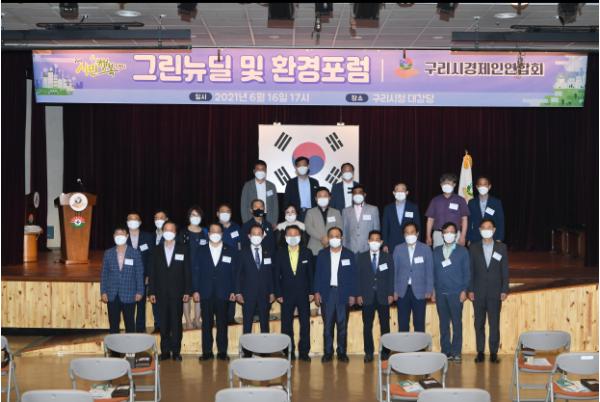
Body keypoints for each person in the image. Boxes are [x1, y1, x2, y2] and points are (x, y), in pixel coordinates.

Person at [192, 223, 237, 361]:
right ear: (208, 234)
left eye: (218, 231)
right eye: (212, 231)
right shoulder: (200, 250)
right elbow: (195, 271)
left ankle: (222, 351)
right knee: (207, 324)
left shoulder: (230, 250)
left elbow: (234, 272)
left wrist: (234, 290)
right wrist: (195, 290)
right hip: (205, 292)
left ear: (222, 234)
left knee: (222, 323)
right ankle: (207, 352)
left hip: (224, 292)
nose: (215, 234)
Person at [148, 221, 191, 361]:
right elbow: (152, 272)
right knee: (163, 323)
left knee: (176, 323)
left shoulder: (183, 248)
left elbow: (187, 271)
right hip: (160, 292)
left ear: (175, 232)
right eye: (166, 229)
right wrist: (151, 292)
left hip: (177, 293)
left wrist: (187, 291)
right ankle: (165, 351)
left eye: (171, 230)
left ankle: (176, 351)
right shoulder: (156, 249)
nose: (168, 232)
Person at [314, 227, 358, 363]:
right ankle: (328, 352)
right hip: (327, 293)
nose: (334, 238)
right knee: (328, 326)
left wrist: (353, 294)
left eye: (337, 236)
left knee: (342, 325)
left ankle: (342, 352)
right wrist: (316, 292)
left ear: (342, 238)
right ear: (328, 238)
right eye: (331, 236)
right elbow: (317, 274)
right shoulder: (322, 254)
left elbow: (353, 276)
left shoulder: (349, 254)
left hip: (343, 293)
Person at [469, 218, 509, 364]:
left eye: (489, 227)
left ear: (494, 230)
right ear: (480, 230)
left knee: (494, 323)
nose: (486, 230)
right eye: (484, 227)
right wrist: (470, 289)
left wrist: (504, 289)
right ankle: (480, 352)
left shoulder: (501, 247)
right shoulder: (473, 248)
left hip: (495, 292)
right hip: (478, 292)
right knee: (479, 324)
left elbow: (504, 270)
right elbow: (470, 271)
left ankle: (493, 352)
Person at [274, 225, 314, 361]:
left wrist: (312, 292)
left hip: (304, 293)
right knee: (286, 324)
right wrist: (278, 293)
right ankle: (288, 351)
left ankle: (304, 352)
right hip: (286, 294)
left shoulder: (307, 252)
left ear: (300, 236)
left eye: (295, 234)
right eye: (289, 234)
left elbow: (311, 274)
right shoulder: (279, 253)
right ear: (285, 237)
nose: (292, 237)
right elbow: (276, 276)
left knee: (305, 324)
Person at [432, 222, 470, 363]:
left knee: (456, 323)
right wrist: (434, 291)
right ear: (442, 234)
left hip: (456, 293)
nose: (448, 234)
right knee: (443, 324)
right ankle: (445, 351)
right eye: (446, 232)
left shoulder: (463, 251)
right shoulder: (436, 251)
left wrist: (464, 290)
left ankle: (456, 352)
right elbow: (433, 273)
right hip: (441, 293)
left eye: (451, 232)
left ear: (456, 234)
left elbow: (467, 273)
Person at [356, 230, 395, 362]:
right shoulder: (361, 257)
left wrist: (390, 293)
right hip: (367, 296)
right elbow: (357, 277)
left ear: (381, 242)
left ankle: (385, 352)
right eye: (372, 239)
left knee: (385, 326)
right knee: (367, 326)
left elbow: (391, 276)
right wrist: (358, 294)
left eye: (377, 240)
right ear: (368, 241)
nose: (374, 242)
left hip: (383, 296)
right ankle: (368, 352)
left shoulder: (387, 257)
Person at [101, 226, 144, 334]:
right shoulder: (108, 253)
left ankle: (130, 345)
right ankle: (114, 345)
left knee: (130, 325)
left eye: (122, 234)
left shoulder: (135, 253)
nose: (119, 236)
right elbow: (104, 274)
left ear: (127, 236)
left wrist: (140, 291)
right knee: (113, 325)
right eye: (117, 234)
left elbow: (139, 274)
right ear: (114, 236)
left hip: (129, 294)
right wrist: (103, 291)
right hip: (112, 294)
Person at [393, 222, 433, 332]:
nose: (409, 235)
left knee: (419, 323)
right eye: (407, 233)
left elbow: (429, 271)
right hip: (402, 291)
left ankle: (419, 344)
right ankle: (404, 344)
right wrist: (394, 290)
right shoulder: (398, 249)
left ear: (417, 233)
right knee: (403, 323)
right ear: (404, 235)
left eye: (412, 232)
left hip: (420, 291)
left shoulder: (425, 249)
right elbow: (394, 272)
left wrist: (429, 289)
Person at [236, 224, 275, 334]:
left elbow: (270, 274)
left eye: (259, 234)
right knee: (247, 325)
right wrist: (238, 292)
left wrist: (272, 292)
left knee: (265, 325)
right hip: (248, 294)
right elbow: (238, 274)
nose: (256, 236)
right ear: (249, 236)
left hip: (264, 293)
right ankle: (246, 345)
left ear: (263, 236)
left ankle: (265, 345)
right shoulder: (242, 253)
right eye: (254, 234)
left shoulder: (268, 252)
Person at [179, 206, 208, 330]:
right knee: (186, 296)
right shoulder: (183, 232)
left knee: (199, 295)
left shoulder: (205, 232)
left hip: (201, 269)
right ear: (189, 216)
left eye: (197, 215)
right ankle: (188, 320)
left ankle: (197, 319)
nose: (195, 217)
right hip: (186, 268)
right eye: (192, 215)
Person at [125, 212, 155, 333]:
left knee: (141, 304)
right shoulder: (122, 237)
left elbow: (151, 257)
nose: (133, 221)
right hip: (127, 276)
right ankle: (130, 329)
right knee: (129, 304)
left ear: (140, 222)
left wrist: (149, 275)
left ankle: (140, 329)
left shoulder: (148, 237)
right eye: (130, 219)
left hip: (142, 276)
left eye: (135, 219)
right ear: (127, 222)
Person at [425, 173, 470, 248]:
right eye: (444, 183)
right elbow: (430, 220)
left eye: (449, 183)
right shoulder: (435, 200)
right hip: (439, 234)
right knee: (438, 254)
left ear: (454, 184)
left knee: (456, 255)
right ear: (441, 185)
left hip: (456, 235)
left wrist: (463, 236)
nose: (447, 185)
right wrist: (428, 236)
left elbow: (464, 219)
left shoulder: (460, 200)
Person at [382, 182, 421, 253]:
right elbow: (385, 228)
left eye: (402, 190)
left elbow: (418, 226)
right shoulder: (388, 208)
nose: (400, 192)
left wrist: (417, 243)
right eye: (397, 190)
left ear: (407, 192)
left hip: (409, 242)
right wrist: (385, 244)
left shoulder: (413, 207)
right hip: (392, 244)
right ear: (394, 193)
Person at [304, 187, 343, 256]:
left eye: (325, 196)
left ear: (329, 197)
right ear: (316, 198)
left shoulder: (336, 212)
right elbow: (308, 228)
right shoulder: (310, 212)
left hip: (333, 246)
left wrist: (329, 238)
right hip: (315, 247)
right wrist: (322, 238)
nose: (322, 198)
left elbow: (339, 227)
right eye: (320, 196)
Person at [342, 184, 380, 254]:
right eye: (355, 193)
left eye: (360, 192)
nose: (357, 195)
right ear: (352, 196)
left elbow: (376, 229)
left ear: (364, 194)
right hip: (351, 248)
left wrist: (375, 247)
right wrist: (344, 248)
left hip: (368, 248)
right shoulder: (346, 211)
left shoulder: (373, 209)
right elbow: (344, 231)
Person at [467, 176, 505, 244]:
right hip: (475, 237)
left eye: (485, 184)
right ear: (477, 187)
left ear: (489, 186)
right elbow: (469, 222)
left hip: (493, 237)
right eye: (480, 184)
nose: (482, 186)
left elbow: (500, 221)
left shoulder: (496, 202)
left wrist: (499, 238)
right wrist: (469, 238)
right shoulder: (471, 202)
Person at [240, 160, 279, 226]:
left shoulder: (271, 186)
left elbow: (275, 206)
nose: (260, 171)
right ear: (254, 171)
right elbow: (243, 206)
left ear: (266, 171)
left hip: (268, 218)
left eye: (262, 169)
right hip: (252, 217)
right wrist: (246, 222)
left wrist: (274, 222)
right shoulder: (247, 185)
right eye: (258, 169)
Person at [283, 156, 320, 221]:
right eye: (299, 166)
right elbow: (286, 200)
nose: (302, 168)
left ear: (308, 166)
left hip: (312, 213)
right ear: (296, 167)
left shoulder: (314, 182)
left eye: (304, 165)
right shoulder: (291, 183)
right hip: (296, 214)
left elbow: (318, 199)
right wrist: (288, 214)